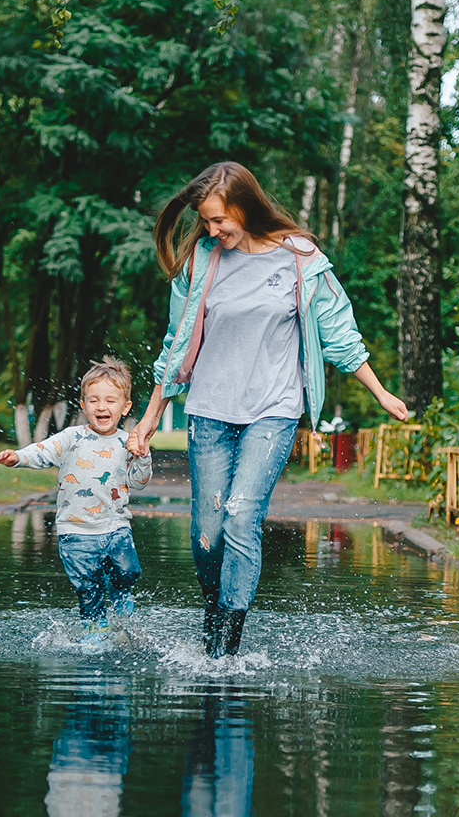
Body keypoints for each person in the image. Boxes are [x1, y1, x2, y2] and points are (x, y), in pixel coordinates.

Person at [126, 161, 409, 659]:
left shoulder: (301, 259)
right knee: (207, 533)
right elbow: (176, 344)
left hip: (274, 411)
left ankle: (226, 647)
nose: (212, 230)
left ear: (244, 204)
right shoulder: (202, 260)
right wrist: (150, 417)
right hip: (210, 410)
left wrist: (380, 392)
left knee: (241, 518)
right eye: (206, 222)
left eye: (219, 220)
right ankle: (214, 615)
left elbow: (338, 330)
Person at [0, 358, 153, 648]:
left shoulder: (127, 442)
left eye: (110, 400)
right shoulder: (73, 437)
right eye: (93, 400)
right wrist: (18, 457)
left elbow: (138, 482)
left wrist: (143, 456)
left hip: (116, 525)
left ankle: (122, 604)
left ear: (125, 407)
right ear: (83, 405)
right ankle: (95, 630)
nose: (101, 407)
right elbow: (43, 451)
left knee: (127, 571)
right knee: (88, 585)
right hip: (75, 531)